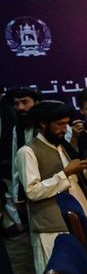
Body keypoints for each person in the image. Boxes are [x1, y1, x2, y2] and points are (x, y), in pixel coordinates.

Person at [15, 100, 87, 274]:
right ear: (43, 124)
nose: (64, 129)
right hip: (49, 229)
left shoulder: (64, 146)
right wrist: (65, 174)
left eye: (66, 123)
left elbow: (77, 183)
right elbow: (32, 191)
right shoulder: (27, 151)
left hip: (77, 223)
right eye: (59, 124)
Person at [1, 86, 40, 234]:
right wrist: (18, 196)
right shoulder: (17, 129)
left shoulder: (48, 125)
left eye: (25, 102)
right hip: (30, 190)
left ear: (35, 102)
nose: (20, 107)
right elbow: (16, 164)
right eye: (17, 104)